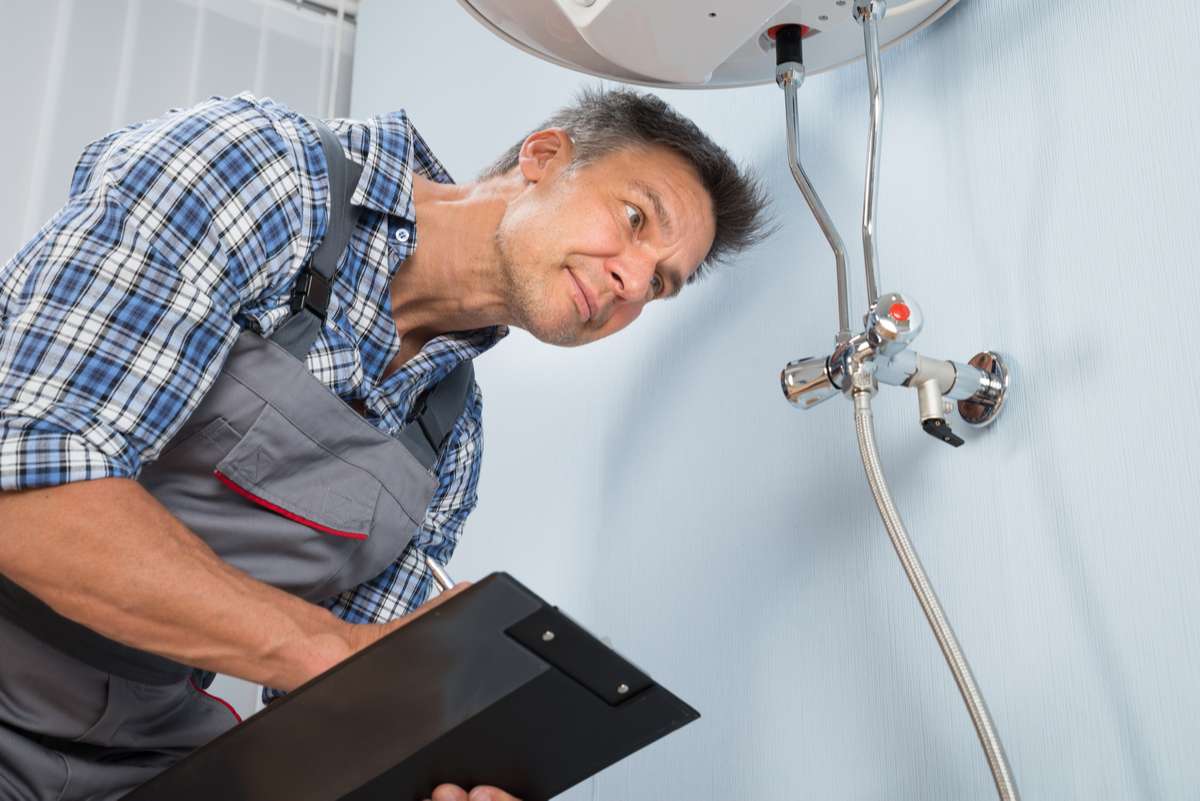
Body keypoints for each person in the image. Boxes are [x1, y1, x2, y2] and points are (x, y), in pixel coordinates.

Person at [0, 87, 769, 801]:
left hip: (140, 752)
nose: (633, 282)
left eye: (661, 284)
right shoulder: (262, 173)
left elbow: (340, 723)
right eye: (637, 220)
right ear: (543, 158)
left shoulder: (447, 438)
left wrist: (428, 764)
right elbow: (27, 487)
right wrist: (324, 652)